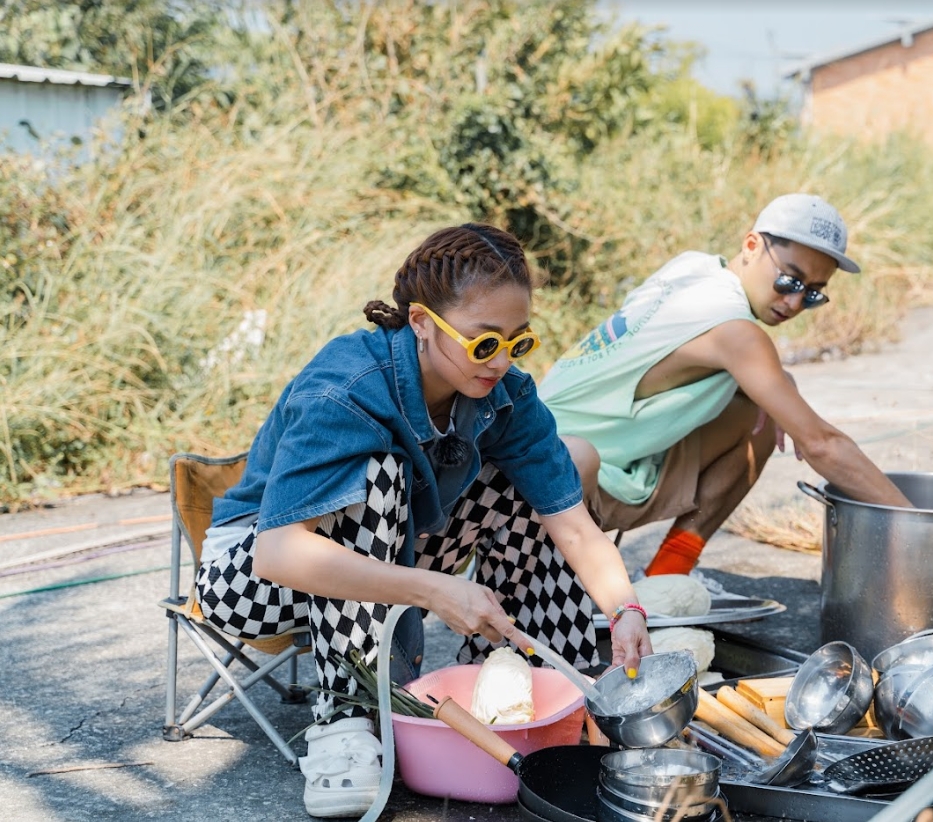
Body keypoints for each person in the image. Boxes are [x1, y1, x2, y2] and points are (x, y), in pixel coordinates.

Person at [195, 224, 652, 819]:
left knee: (529, 482)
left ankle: (531, 691)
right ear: (420, 322)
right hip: (254, 579)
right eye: (483, 343)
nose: (501, 362)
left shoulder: (505, 393)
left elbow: (573, 526)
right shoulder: (347, 387)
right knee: (378, 470)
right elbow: (278, 554)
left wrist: (626, 611)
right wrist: (437, 590)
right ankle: (344, 720)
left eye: (519, 342)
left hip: (398, 548)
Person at [539, 193, 912, 577]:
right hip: (545, 483)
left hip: (586, 460)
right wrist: (917, 523)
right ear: (751, 245)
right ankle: (548, 584)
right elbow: (822, 444)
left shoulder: (692, 269)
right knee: (764, 408)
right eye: (789, 279)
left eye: (813, 293)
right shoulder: (736, 333)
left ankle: (667, 577)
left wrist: (782, 381)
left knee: (756, 418)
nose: (795, 301)